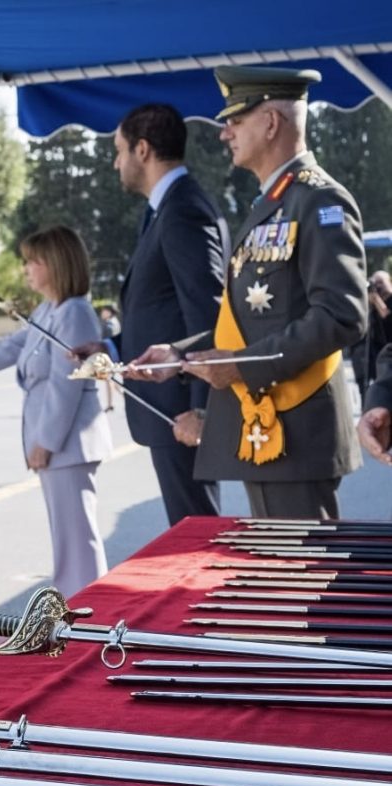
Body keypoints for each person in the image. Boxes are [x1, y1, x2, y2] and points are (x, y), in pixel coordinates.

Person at [132, 66, 368, 519]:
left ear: (271, 123)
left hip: (296, 427)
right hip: (266, 423)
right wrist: (178, 357)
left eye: (236, 120)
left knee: (300, 578)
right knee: (281, 578)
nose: (225, 134)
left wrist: (241, 367)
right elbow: (249, 322)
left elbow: (342, 314)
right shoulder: (271, 202)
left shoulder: (320, 202)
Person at [74, 103, 227, 526]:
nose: (115, 161)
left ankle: (204, 597)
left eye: (119, 150)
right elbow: (163, 310)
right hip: (170, 404)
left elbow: (207, 312)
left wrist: (202, 410)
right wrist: (109, 346)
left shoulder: (183, 210)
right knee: (189, 530)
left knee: (195, 533)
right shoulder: (165, 209)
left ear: (143, 150)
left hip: (180, 409)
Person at [0, 225, 112, 597]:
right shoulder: (49, 310)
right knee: (67, 537)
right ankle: (76, 613)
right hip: (59, 443)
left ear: (55, 264)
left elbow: (65, 382)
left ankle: (88, 616)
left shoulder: (74, 313)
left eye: (33, 262)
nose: (26, 270)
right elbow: (7, 348)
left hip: (68, 442)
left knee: (76, 539)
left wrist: (46, 441)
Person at [349, 270, 392, 403]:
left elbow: (387, 316)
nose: (378, 287)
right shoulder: (371, 303)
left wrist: (377, 299)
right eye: (375, 283)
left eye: (381, 282)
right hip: (375, 352)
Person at [98, 306, 121, 411]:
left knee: (109, 380)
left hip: (110, 355)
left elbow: (109, 343)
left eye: (104, 310)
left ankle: (110, 404)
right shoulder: (113, 322)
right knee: (113, 381)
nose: (102, 312)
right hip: (112, 355)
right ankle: (125, 397)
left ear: (109, 312)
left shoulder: (110, 325)